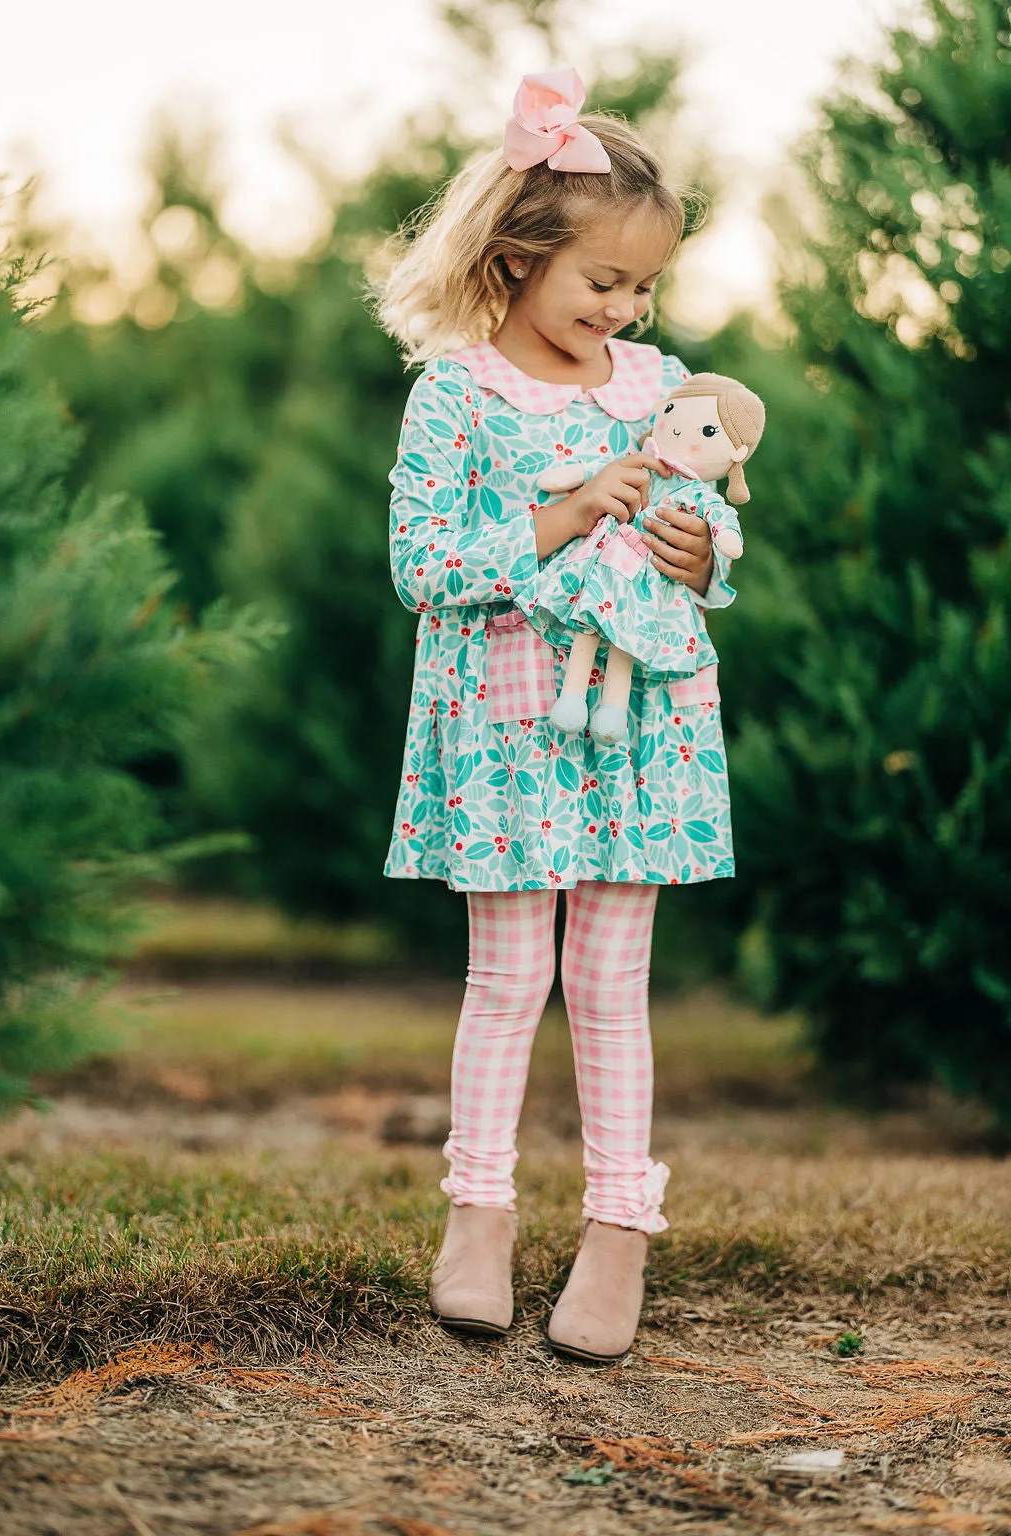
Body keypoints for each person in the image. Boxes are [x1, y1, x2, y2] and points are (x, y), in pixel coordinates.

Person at [372, 68, 739, 1364]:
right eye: (603, 283)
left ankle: (619, 1229)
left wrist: (705, 558)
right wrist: (566, 508)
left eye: (643, 287)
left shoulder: (659, 385)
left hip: (640, 730)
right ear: (520, 260)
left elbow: (714, 536)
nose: (626, 310)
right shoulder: (455, 397)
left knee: (610, 979)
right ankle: (478, 1215)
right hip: (505, 739)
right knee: (509, 974)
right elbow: (424, 566)